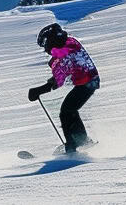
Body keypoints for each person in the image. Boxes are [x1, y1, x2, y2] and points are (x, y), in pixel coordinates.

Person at [27, 23, 100, 154]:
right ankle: (81, 140)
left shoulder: (67, 44)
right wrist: (44, 88)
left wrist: (43, 88)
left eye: (45, 44)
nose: (46, 49)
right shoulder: (64, 48)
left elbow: (62, 62)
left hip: (87, 82)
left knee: (66, 111)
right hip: (86, 83)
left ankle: (72, 146)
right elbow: (60, 75)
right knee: (69, 109)